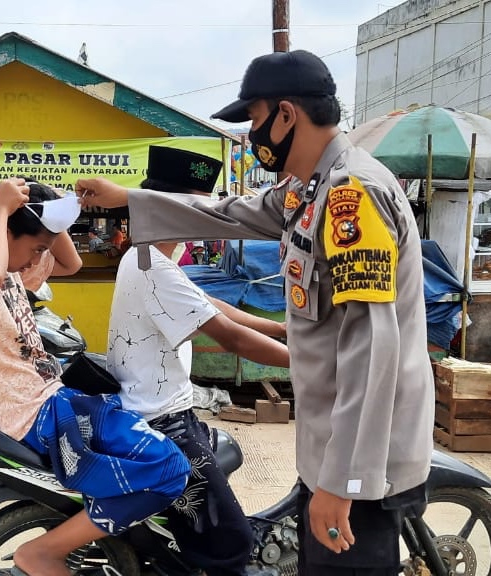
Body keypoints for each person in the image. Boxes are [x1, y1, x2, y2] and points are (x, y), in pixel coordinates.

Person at [79, 49, 435, 576]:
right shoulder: (309, 189)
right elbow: (228, 212)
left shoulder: (350, 196)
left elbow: (370, 346)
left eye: (255, 120)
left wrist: (343, 481)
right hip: (332, 442)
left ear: (287, 114)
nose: (251, 135)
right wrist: (126, 200)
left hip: (364, 457)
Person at [0, 177, 190, 576]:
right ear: (4, 232)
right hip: (33, 411)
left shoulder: (11, 265)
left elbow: (71, 263)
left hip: (51, 397)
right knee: (170, 469)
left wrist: (57, 209)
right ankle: (43, 551)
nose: (38, 258)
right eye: (36, 248)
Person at [109, 148, 288, 575]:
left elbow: (210, 304)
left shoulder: (150, 254)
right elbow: (228, 336)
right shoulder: (155, 266)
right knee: (232, 543)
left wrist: (282, 331)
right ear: (169, 209)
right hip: (161, 423)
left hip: (166, 410)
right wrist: (308, 364)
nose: (203, 218)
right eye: (196, 209)